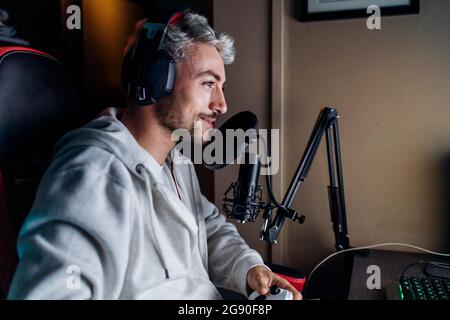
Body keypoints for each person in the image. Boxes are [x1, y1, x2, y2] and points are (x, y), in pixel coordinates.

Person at [7, 10, 301, 300]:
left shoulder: (176, 159)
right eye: (208, 83)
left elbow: (208, 226)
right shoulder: (94, 175)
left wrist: (249, 269)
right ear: (159, 79)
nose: (222, 105)